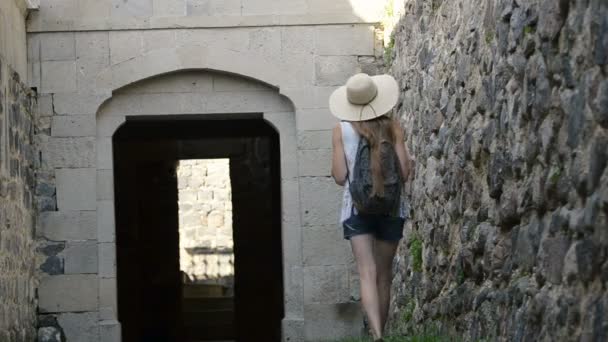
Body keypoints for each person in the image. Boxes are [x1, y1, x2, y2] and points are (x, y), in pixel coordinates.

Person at [329, 73, 414, 341]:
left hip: (356, 210)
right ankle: (383, 331)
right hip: (391, 208)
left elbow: (340, 176)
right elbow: (404, 172)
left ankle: (376, 335)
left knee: (367, 273)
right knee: (384, 276)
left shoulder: (341, 130)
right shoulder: (394, 127)